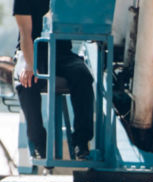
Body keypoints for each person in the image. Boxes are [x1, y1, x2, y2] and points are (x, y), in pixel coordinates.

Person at [13, 0, 94, 160]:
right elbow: (25, 33)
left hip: (61, 52)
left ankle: (81, 141)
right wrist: (30, 65)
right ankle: (39, 142)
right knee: (28, 82)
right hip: (33, 49)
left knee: (83, 75)